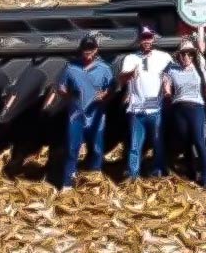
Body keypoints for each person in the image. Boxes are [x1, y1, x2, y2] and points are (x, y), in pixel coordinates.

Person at [57, 34, 115, 189]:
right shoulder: (71, 68)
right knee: (72, 148)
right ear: (80, 50)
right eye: (85, 49)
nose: (87, 52)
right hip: (76, 115)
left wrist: (105, 95)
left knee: (97, 148)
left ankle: (94, 183)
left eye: (90, 49)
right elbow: (61, 87)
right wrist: (67, 94)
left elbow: (111, 89)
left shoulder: (105, 69)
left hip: (97, 114)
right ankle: (68, 182)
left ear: (96, 50)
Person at [118, 26, 172, 181]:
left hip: (156, 108)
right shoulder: (130, 58)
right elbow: (121, 79)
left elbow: (172, 74)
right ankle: (133, 174)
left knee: (158, 143)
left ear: (153, 38)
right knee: (135, 145)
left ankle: (158, 171)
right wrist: (130, 74)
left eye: (149, 37)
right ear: (139, 40)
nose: (146, 41)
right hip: (137, 109)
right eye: (144, 38)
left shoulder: (164, 57)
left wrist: (168, 89)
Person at [162, 39, 206, 189]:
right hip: (179, 108)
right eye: (183, 54)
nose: (186, 57)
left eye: (190, 54)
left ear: (193, 56)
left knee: (199, 141)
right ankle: (191, 172)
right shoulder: (172, 69)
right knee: (185, 141)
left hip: (196, 107)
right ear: (179, 55)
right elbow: (167, 85)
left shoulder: (199, 69)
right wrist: (166, 91)